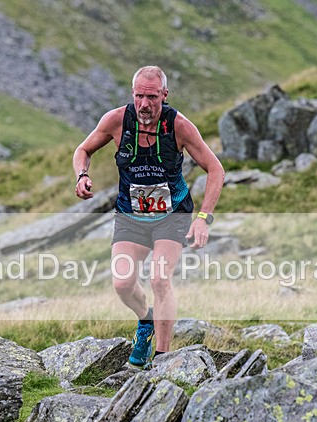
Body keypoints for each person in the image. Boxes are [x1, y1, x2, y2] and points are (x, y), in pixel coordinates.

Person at [73, 65, 225, 368]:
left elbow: (216, 170)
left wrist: (203, 218)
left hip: (172, 215)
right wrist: (81, 175)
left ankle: (162, 357)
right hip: (131, 216)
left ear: (164, 95)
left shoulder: (179, 126)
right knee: (122, 283)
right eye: (140, 96)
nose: (145, 104)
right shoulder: (116, 120)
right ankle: (146, 321)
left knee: (159, 277)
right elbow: (83, 149)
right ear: (133, 94)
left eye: (152, 97)